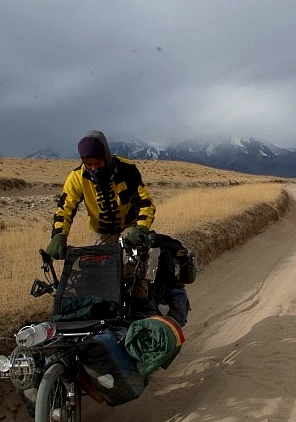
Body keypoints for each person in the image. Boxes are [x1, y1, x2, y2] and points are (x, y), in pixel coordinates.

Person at [46, 130, 190, 326]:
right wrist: (58, 237)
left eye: (98, 163)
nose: (94, 168)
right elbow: (64, 209)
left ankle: (142, 307)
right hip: (102, 231)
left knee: (135, 263)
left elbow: (145, 203)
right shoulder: (77, 178)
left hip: (130, 225)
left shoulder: (126, 169)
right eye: (89, 165)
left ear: (106, 155)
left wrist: (140, 229)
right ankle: (103, 313)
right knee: (95, 270)